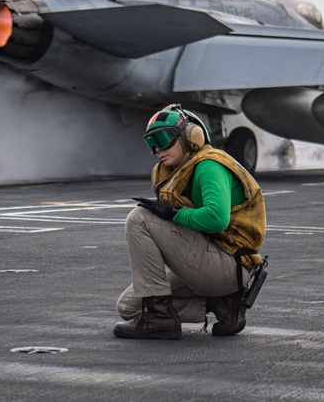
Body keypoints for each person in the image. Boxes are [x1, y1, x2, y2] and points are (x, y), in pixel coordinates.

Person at [114, 104, 267, 340]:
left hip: (228, 263)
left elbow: (216, 219)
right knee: (129, 307)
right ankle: (221, 306)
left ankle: (160, 319)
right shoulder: (175, 170)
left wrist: (174, 214)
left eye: (163, 139)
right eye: (151, 144)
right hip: (211, 263)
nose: (157, 149)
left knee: (138, 219)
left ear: (190, 136)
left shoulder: (209, 165)